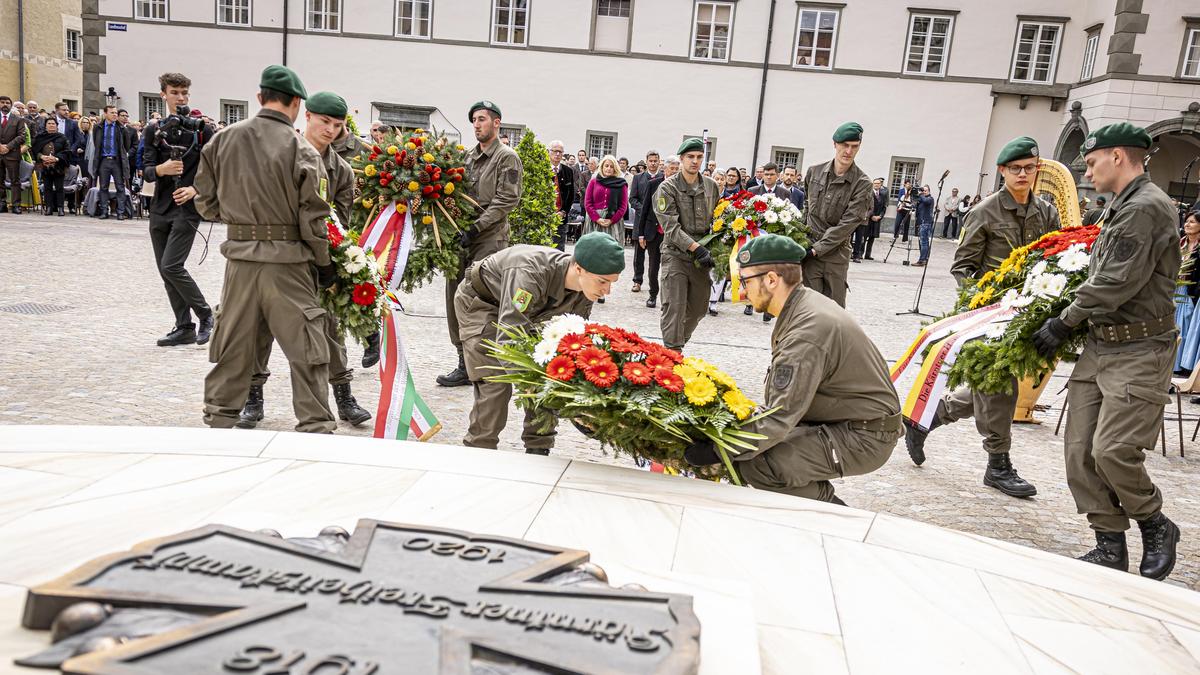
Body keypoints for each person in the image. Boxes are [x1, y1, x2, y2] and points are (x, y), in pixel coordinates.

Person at [1031, 123, 1182, 580]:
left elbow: (1116, 281)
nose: (1087, 171)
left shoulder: (1146, 208)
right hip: (1103, 344)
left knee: (1113, 450)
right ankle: (1109, 543)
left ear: (1118, 156)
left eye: (1092, 161)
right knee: (1079, 452)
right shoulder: (1120, 206)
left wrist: (1063, 321)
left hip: (1140, 348)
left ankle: (1155, 523)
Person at [684, 234, 902, 505]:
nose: (740, 291)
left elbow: (779, 416)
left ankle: (837, 517)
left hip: (864, 435)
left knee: (759, 464)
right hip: (846, 422)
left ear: (772, 280)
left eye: (745, 281)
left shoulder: (806, 331)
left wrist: (719, 449)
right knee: (755, 451)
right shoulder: (801, 304)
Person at [906, 136, 1059, 498]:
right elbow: (963, 267)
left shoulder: (1047, 212)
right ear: (1003, 172)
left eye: (1030, 168)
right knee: (999, 386)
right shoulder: (985, 212)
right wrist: (983, 306)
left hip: (1029, 313)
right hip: (990, 314)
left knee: (992, 386)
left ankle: (928, 417)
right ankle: (998, 465)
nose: (1023, 174)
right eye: (1015, 169)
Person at [194, 64, 338, 434]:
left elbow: (205, 202)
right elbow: (314, 216)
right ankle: (315, 425)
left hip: (239, 262)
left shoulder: (221, 140)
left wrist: (243, 221)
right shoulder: (302, 149)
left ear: (260, 98)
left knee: (233, 345)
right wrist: (324, 263)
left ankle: (219, 418)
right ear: (296, 104)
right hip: (288, 263)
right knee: (307, 349)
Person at [238, 90, 371, 430]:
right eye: (325, 121)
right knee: (261, 326)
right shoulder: (279, 154)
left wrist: (330, 261)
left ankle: (343, 396)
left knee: (329, 328)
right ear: (307, 116)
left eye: (338, 125)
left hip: (317, 262)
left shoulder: (341, 171)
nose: (330, 130)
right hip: (274, 256)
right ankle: (252, 398)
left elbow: (339, 222)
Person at [455, 233, 624, 455]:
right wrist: (533, 382)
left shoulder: (585, 290)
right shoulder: (530, 273)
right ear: (579, 268)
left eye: (611, 283)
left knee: (552, 372)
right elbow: (509, 335)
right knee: (495, 382)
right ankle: (478, 450)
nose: (607, 291)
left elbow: (573, 341)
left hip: (528, 312)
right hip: (482, 305)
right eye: (602, 281)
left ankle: (539, 449)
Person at [437, 100, 522, 388]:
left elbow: (506, 200)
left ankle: (487, 361)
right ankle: (463, 360)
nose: (476, 124)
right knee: (454, 295)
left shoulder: (506, 157)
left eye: (482, 119)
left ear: (496, 123)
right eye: (474, 119)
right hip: (462, 236)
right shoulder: (468, 158)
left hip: (489, 239)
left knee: (481, 298)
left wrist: (476, 228)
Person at [141, 73, 216, 348]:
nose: (181, 98)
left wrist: (196, 189)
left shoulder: (201, 129)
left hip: (187, 207)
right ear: (163, 94)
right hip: (160, 206)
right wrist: (161, 169)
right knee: (165, 270)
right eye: (175, 92)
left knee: (172, 265)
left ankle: (206, 314)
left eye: (184, 93)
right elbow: (146, 169)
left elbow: (215, 167)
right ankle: (183, 326)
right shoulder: (153, 129)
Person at [655, 138, 720, 350]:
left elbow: (718, 220)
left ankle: (676, 343)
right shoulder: (667, 188)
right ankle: (672, 352)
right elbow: (671, 227)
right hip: (675, 255)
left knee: (700, 307)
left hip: (701, 259)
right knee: (674, 306)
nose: (695, 161)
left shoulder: (711, 187)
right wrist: (696, 247)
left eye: (699, 157)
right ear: (681, 159)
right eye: (690, 157)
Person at [802, 122, 873, 308]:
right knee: (807, 309)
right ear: (835, 144)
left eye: (854, 146)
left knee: (834, 313)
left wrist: (818, 248)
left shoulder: (862, 183)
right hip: (808, 252)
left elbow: (848, 224)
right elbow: (806, 208)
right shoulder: (814, 172)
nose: (849, 151)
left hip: (835, 255)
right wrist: (799, 239)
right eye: (845, 145)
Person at [636, 155, 676, 309]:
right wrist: (641, 234)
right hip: (654, 231)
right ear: (664, 168)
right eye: (671, 168)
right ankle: (653, 294)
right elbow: (644, 209)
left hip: (672, 233)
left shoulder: (681, 185)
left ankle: (668, 298)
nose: (674, 171)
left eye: (676, 169)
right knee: (653, 266)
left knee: (671, 268)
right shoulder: (654, 184)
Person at [629, 149, 662, 292]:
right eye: (651, 161)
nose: (653, 163)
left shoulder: (663, 178)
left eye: (655, 161)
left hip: (656, 223)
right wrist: (644, 210)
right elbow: (632, 199)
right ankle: (637, 280)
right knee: (639, 255)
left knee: (654, 257)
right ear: (646, 161)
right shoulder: (638, 178)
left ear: (659, 162)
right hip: (641, 221)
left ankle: (652, 283)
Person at [90, 106, 131, 220]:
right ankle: (104, 211)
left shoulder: (121, 128)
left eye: (115, 113)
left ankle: (120, 212)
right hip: (103, 160)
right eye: (112, 113)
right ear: (105, 113)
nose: (115, 115)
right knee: (103, 187)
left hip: (117, 161)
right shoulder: (98, 127)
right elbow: (96, 143)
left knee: (120, 186)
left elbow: (126, 146)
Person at [1173, 212, 1200, 374]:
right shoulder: (1180, 243)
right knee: (1175, 326)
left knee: (1187, 327)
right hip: (1175, 289)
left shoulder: (1198, 248)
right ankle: (1173, 363)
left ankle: (1184, 364)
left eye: (1192, 222)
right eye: (1187, 221)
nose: (1187, 224)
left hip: (1190, 291)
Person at [583, 155, 628, 251]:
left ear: (615, 168)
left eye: (611, 167)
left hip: (613, 221)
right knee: (593, 250)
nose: (609, 168)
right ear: (602, 167)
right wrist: (597, 219)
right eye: (606, 166)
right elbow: (588, 203)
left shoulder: (621, 184)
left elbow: (623, 206)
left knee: (610, 250)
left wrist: (611, 220)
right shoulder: (593, 182)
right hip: (594, 221)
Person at [31, 117, 70, 216]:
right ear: (45, 125)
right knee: (47, 188)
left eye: (53, 123)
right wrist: (42, 156)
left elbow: (67, 151)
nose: (51, 125)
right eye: (49, 123)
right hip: (44, 166)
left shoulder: (62, 137)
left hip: (59, 166)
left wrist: (56, 158)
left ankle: (60, 208)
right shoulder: (40, 137)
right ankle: (49, 208)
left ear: (57, 126)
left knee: (59, 188)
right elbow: (34, 150)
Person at [0, 95, 30, 214]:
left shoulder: (17, 119)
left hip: (12, 154)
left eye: (7, 102)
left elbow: (22, 136)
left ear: (11, 105)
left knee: (15, 180)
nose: (5, 104)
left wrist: (8, 146)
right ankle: (2, 204)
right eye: (2, 102)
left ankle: (16, 205)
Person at [548, 139, 576, 251]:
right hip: (545, 217)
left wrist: (564, 211)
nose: (557, 154)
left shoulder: (568, 171)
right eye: (555, 151)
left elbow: (571, 195)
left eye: (560, 151)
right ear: (549, 152)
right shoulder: (542, 168)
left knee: (558, 250)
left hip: (561, 217)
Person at [860, 177, 888, 261]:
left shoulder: (883, 195)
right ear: (873, 184)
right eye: (875, 183)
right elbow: (866, 206)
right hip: (868, 218)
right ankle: (860, 253)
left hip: (877, 219)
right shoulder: (869, 193)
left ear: (880, 185)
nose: (876, 185)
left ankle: (868, 255)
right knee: (864, 237)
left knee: (872, 238)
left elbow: (884, 207)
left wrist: (880, 216)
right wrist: (871, 216)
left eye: (878, 183)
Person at [913, 184, 936, 266]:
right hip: (921, 222)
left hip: (926, 223)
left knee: (924, 242)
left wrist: (921, 194)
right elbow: (914, 206)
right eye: (923, 190)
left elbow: (926, 201)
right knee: (923, 242)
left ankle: (922, 260)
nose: (923, 192)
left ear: (929, 191)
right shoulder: (922, 199)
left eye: (925, 191)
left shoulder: (930, 199)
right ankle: (923, 259)